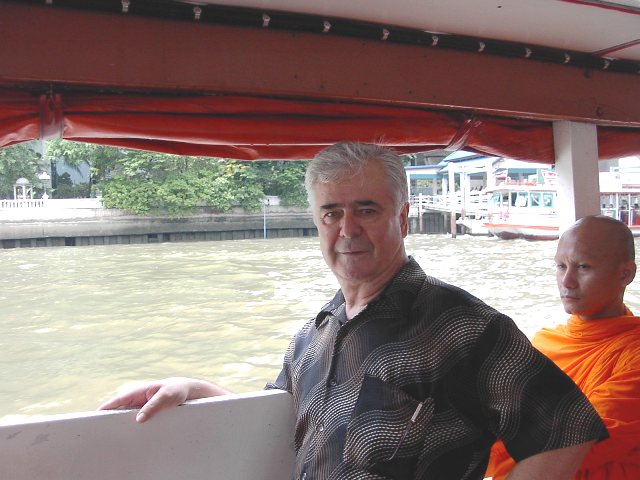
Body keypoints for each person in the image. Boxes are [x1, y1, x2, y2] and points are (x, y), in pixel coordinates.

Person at [100, 142, 607, 480]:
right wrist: (193, 388)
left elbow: (567, 429)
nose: (347, 229)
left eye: (366, 210)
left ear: (402, 219)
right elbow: (286, 420)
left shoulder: (461, 325)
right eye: (332, 213)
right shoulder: (314, 335)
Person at [486, 215, 640, 479]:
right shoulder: (544, 344)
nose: (567, 282)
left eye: (583, 267)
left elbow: (578, 440)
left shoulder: (633, 354)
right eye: (561, 266)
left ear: (625, 273)